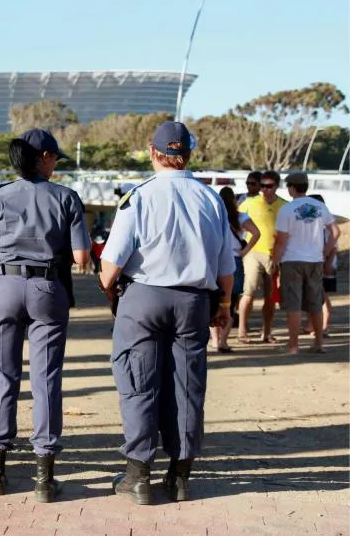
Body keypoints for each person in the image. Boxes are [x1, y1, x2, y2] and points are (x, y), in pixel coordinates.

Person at [98, 121, 234, 505]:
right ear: (188, 153)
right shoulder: (211, 199)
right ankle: (180, 476)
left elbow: (110, 267)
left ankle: (138, 475)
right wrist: (223, 306)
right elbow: (227, 265)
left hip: (144, 297)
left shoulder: (138, 196)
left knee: (139, 384)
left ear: (152, 151)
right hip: (194, 301)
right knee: (188, 387)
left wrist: (111, 294)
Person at [0, 129, 89, 503]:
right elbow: (82, 259)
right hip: (47, 289)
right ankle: (43, 475)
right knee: (46, 380)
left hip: (4, 287)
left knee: (4, 377)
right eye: (55, 158)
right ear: (45, 158)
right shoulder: (66, 198)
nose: (56, 165)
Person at [271, 174, 340, 354]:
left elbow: (281, 241)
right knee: (315, 303)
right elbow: (336, 232)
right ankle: (318, 343)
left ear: (292, 188)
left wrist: (274, 261)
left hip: (292, 261)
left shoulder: (286, 209)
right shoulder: (320, 207)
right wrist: (324, 252)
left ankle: (293, 346)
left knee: (294, 304)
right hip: (315, 260)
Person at [237, 170, 287, 343]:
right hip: (253, 253)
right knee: (248, 292)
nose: (265, 190)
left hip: (274, 255)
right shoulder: (249, 203)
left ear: (277, 186)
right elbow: (234, 220)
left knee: (270, 297)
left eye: (269, 186)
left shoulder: (284, 206)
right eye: (263, 186)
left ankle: (266, 332)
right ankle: (242, 330)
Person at [209, 187, 260, 352]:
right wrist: (244, 251)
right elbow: (256, 233)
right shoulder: (241, 217)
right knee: (229, 303)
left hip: (215, 260)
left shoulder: (213, 216)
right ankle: (223, 341)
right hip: (234, 261)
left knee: (213, 301)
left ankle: (215, 340)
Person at [303, 194, 338, 337]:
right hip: (314, 262)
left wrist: (328, 263)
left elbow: (334, 246)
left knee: (322, 297)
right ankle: (310, 325)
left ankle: (324, 327)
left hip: (324, 264)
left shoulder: (327, 223)